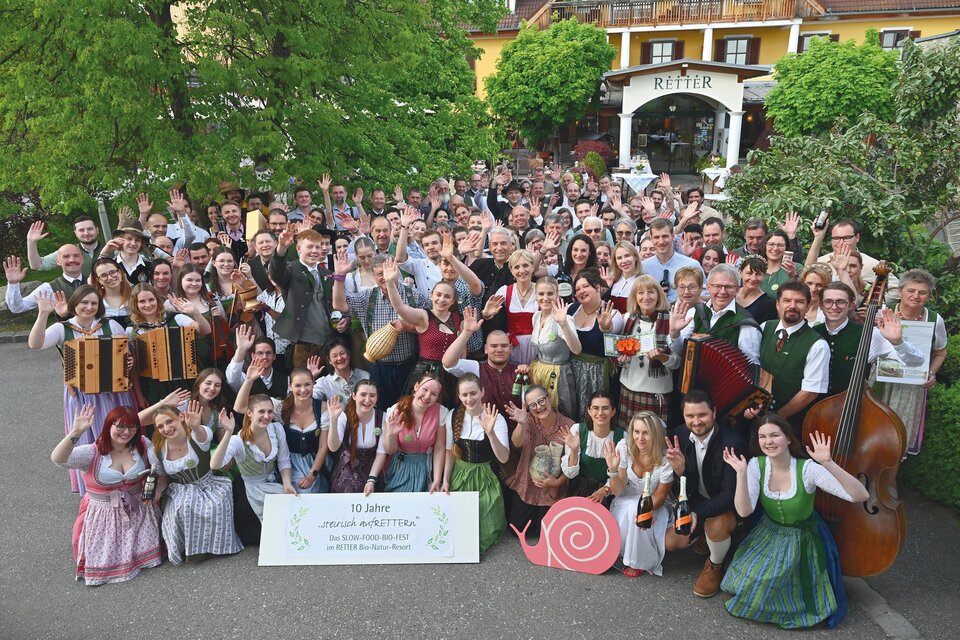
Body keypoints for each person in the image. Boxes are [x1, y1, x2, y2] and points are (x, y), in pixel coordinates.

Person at [721, 414, 869, 629]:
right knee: (751, 584)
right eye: (762, 436)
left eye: (774, 435)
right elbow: (744, 511)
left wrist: (828, 463)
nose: (768, 441)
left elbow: (860, 495)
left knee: (773, 588)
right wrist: (741, 474)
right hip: (769, 534)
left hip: (804, 539)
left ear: (788, 438)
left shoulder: (808, 469)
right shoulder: (756, 465)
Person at [28, 285, 137, 494]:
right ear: (74, 305)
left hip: (113, 393)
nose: (88, 307)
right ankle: (94, 486)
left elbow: (125, 355)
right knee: (87, 436)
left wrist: (128, 362)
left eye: (93, 303)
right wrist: (43, 313)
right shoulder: (63, 328)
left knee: (118, 432)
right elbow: (35, 344)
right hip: (81, 395)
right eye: (84, 303)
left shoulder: (111, 326)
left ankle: (123, 477)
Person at [51, 405, 163, 585]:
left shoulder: (142, 444)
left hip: (139, 510)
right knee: (105, 562)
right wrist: (76, 432)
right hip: (103, 515)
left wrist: (157, 489)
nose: (126, 432)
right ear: (108, 425)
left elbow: (158, 470)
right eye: (120, 426)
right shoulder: (91, 452)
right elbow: (58, 459)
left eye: (132, 427)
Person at [663, 390, 747, 598]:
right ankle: (707, 538)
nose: (696, 421)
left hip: (728, 508)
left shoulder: (733, 442)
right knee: (671, 542)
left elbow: (730, 495)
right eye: (690, 416)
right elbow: (681, 489)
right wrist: (680, 471)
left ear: (714, 412)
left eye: (702, 415)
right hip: (697, 502)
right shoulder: (679, 435)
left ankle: (715, 564)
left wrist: (696, 513)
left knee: (716, 525)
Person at [143, 402, 243, 564]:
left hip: (208, 483)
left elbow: (204, 437)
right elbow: (162, 478)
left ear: (181, 417)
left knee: (214, 504)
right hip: (181, 488)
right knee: (183, 507)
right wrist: (158, 491)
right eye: (160, 426)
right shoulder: (157, 449)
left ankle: (216, 547)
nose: (166, 428)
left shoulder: (196, 436)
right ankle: (190, 551)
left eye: (170, 422)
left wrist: (196, 427)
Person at [332, 253, 428, 412]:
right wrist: (340, 276)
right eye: (380, 274)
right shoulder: (367, 297)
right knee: (382, 411)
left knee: (410, 411)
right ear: (374, 276)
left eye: (389, 272)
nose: (385, 277)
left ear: (396, 270)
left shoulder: (414, 296)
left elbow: (429, 327)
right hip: (380, 368)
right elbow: (339, 304)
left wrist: (408, 326)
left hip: (410, 367)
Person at [235, 357, 329, 494]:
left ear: (313, 384)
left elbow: (323, 446)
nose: (303, 390)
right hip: (288, 464)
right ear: (290, 386)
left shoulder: (323, 408)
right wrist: (249, 380)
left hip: (316, 464)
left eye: (307, 384)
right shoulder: (281, 407)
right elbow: (240, 407)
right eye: (298, 385)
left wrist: (311, 475)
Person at [880, 269, 948, 453]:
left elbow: (940, 352)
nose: (916, 296)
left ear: (929, 296)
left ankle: (890, 478)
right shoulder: (883, 312)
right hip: (880, 381)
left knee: (899, 437)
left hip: (912, 383)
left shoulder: (935, 319)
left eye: (922, 292)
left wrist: (931, 373)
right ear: (900, 291)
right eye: (911, 290)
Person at [816, 282, 924, 396]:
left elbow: (916, 362)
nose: (834, 307)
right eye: (828, 302)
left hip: (854, 407)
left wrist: (898, 342)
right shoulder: (812, 333)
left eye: (841, 302)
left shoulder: (870, 334)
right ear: (821, 305)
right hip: (813, 409)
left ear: (852, 305)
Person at [751, 280, 830, 436]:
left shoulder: (818, 345)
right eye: (786, 300)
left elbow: (810, 392)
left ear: (807, 307)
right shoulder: (765, 327)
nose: (792, 306)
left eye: (799, 302)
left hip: (790, 426)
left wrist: (777, 417)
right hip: (753, 419)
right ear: (778, 305)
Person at [442, 375, 510, 553]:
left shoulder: (496, 418)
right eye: (464, 395)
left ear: (482, 392)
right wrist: (445, 480)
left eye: (473, 393)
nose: (469, 399)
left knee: (485, 522)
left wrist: (490, 433)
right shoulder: (453, 415)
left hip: (485, 474)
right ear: (458, 395)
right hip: (460, 472)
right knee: (456, 525)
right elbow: (449, 451)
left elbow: (503, 458)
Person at [382, 256, 461, 407]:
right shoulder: (423, 316)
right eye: (438, 295)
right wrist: (390, 283)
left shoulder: (459, 319)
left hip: (451, 374)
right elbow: (400, 307)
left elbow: (462, 351)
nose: (442, 299)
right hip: (424, 372)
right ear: (431, 296)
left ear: (452, 301)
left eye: (447, 296)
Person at [212, 387, 296, 525]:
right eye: (261, 412)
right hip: (253, 490)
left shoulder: (277, 429)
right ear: (249, 413)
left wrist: (287, 484)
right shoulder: (238, 441)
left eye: (270, 412)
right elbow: (215, 465)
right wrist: (228, 432)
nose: (267, 416)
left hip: (275, 482)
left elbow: (284, 461)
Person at [607, 411, 673, 577]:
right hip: (628, 497)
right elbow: (618, 490)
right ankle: (615, 553)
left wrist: (646, 511)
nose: (640, 438)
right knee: (630, 508)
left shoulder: (666, 459)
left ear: (656, 434)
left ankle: (639, 560)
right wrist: (613, 470)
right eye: (636, 432)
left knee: (635, 510)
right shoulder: (624, 447)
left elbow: (661, 495)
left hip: (655, 503)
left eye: (646, 433)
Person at [504, 385, 575, 537]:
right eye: (533, 405)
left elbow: (573, 463)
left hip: (553, 489)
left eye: (541, 401)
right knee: (517, 531)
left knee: (546, 534)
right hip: (527, 485)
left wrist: (557, 483)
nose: (539, 407)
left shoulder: (569, 425)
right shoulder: (528, 420)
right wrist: (521, 423)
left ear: (549, 399)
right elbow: (517, 442)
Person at [126, 283, 212, 406]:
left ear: (157, 300)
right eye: (142, 301)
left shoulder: (175, 319)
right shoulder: (132, 330)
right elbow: (134, 370)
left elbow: (205, 330)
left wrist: (196, 313)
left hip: (181, 380)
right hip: (152, 386)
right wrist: (139, 396)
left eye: (151, 299)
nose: (148, 305)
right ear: (135, 304)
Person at [271, 226, 340, 369]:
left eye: (318, 247)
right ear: (298, 249)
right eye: (309, 247)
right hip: (304, 345)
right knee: (305, 386)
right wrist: (281, 248)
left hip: (331, 343)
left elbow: (334, 303)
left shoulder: (327, 273)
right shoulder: (291, 269)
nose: (315, 251)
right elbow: (277, 272)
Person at [669, 264, 762, 365]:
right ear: (708, 287)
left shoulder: (746, 324)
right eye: (717, 286)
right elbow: (681, 350)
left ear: (737, 290)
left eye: (728, 287)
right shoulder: (696, 311)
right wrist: (674, 332)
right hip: (693, 379)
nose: (722, 292)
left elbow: (751, 365)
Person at [617, 275, 679, 425]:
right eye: (640, 292)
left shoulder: (671, 320)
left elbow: (678, 363)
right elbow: (617, 353)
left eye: (651, 292)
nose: (646, 297)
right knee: (629, 440)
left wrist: (662, 358)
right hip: (629, 388)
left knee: (654, 443)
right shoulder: (627, 319)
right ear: (634, 297)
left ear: (659, 295)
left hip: (656, 393)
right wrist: (620, 360)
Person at [372, 373, 449, 494]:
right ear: (416, 386)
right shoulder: (397, 410)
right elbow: (390, 450)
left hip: (426, 466)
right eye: (425, 389)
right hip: (400, 466)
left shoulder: (441, 412)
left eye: (434, 394)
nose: (427, 396)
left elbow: (439, 448)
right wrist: (391, 435)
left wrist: (437, 479)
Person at [569, 269, 624, 418]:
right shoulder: (571, 309)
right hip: (572, 372)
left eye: (585, 286)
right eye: (578, 289)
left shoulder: (612, 312)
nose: (581, 291)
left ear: (597, 287)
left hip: (597, 374)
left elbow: (613, 330)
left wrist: (606, 327)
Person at [528, 279, 580, 418]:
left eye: (550, 293)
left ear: (557, 295)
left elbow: (576, 349)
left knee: (561, 414)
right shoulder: (536, 316)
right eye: (541, 294)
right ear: (536, 296)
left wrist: (563, 324)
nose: (545, 298)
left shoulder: (566, 319)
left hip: (558, 375)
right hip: (538, 372)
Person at [562, 392, 622, 501]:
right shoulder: (577, 430)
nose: (600, 413)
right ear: (589, 411)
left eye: (605, 408)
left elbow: (621, 478)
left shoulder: (622, 438)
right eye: (595, 408)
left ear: (613, 411)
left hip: (608, 492)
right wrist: (574, 451)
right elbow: (570, 474)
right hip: (578, 490)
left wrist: (605, 490)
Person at [327, 381, 383, 493]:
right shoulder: (343, 416)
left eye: (372, 395)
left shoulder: (382, 417)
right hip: (347, 470)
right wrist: (333, 420)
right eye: (363, 394)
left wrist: (371, 479)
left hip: (373, 470)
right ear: (354, 396)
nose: (367, 400)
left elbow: (381, 453)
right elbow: (333, 447)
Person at [4, 246, 86, 318]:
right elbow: (18, 308)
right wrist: (13, 283)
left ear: (82, 259)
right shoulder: (49, 288)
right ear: (58, 261)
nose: (72, 260)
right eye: (66, 256)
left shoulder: (95, 281)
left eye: (76, 256)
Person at [490, 249, 538, 365]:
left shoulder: (541, 290)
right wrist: (486, 314)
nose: (521, 270)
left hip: (536, 344)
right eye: (516, 267)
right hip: (513, 344)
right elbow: (489, 315)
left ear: (532, 267)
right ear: (511, 270)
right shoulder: (505, 290)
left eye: (525, 265)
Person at [642, 218, 703, 303]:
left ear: (673, 235)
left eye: (665, 236)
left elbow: (705, 294)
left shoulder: (691, 265)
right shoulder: (643, 267)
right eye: (656, 237)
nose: (661, 241)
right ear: (651, 238)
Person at [26, 216, 104, 278]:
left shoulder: (112, 249)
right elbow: (37, 265)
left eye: (90, 229)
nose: (86, 233)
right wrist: (31, 242)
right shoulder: (67, 253)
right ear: (75, 233)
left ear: (97, 230)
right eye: (81, 230)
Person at [227, 325, 288, 400]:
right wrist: (241, 349)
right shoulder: (244, 378)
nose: (264, 357)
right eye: (260, 353)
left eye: (268, 353)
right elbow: (232, 378)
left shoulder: (286, 379)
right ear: (253, 356)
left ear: (274, 356)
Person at [736, 255, 778, 324]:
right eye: (749, 273)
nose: (753, 278)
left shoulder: (768, 305)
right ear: (740, 273)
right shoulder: (731, 294)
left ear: (764, 276)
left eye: (758, 274)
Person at [91, 257, 132, 327]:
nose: (110, 277)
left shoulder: (135, 296)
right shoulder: (96, 302)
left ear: (120, 273)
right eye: (103, 275)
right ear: (98, 280)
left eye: (113, 272)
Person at [606, 241, 643, 313]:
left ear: (635, 257)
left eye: (627, 256)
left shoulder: (643, 281)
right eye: (619, 258)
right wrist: (605, 289)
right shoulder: (613, 280)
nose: (624, 261)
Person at [760, 230, 796, 297]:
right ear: (765, 246)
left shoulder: (795, 267)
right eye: (771, 244)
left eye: (780, 245)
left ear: (786, 247)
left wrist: (792, 276)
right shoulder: (757, 268)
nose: (775, 248)